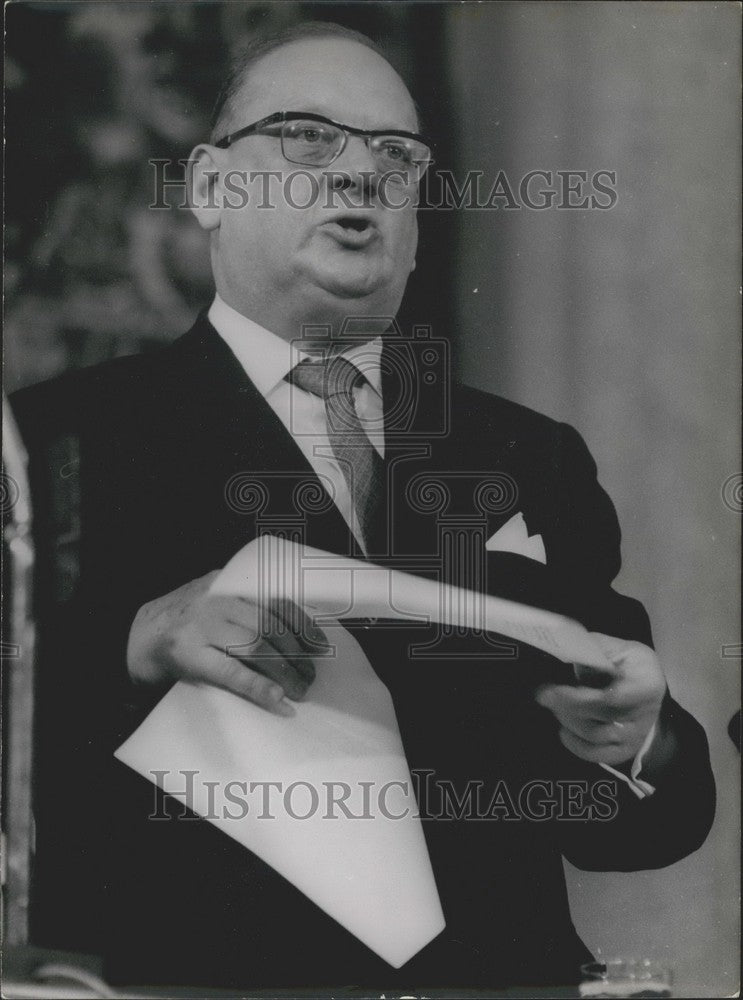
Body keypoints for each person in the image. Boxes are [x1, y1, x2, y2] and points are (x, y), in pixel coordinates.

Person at [11, 21, 715, 993]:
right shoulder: (53, 440)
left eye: (396, 155)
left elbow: (647, 824)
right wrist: (130, 643)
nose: (358, 175)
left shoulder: (527, 458)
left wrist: (640, 738)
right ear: (211, 187)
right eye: (307, 136)